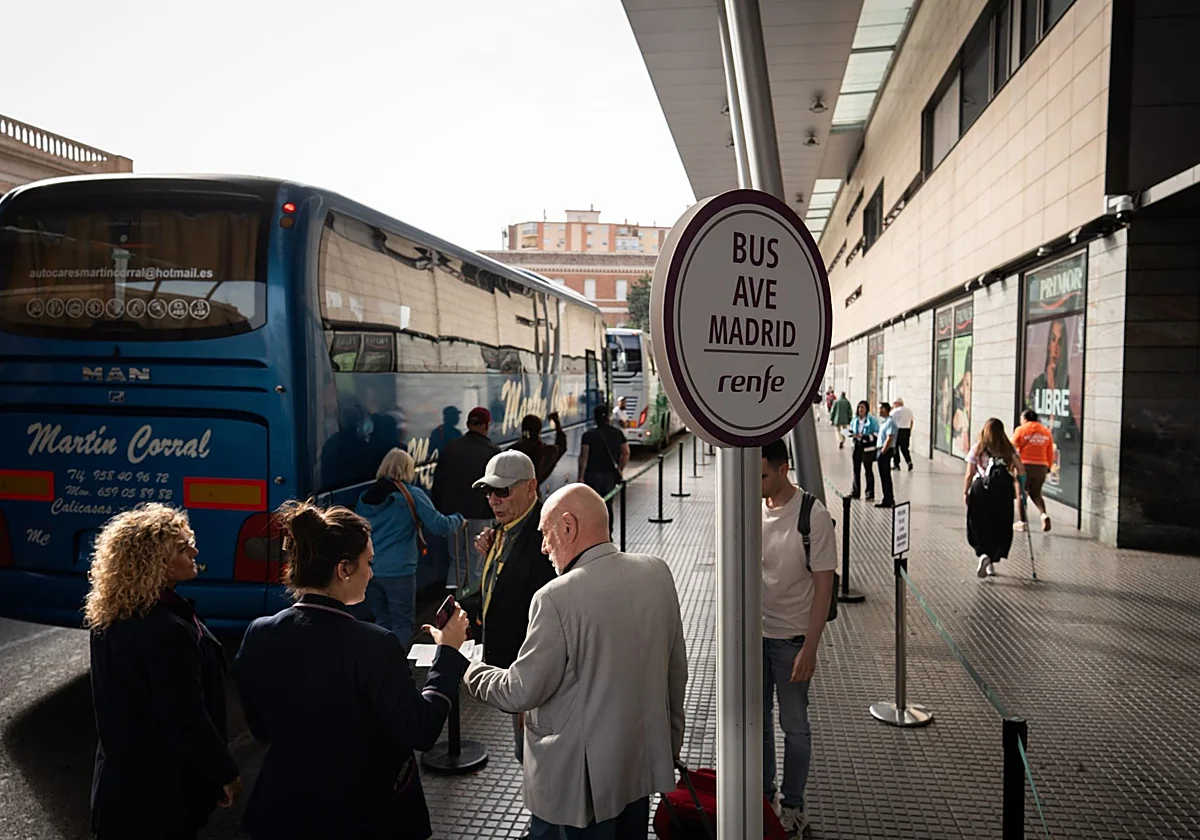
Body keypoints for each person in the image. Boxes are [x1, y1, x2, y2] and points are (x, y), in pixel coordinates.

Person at [232, 500, 471, 840]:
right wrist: (447, 653)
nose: (372, 573)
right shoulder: (375, 645)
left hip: (285, 807)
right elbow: (421, 728)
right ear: (343, 569)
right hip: (362, 811)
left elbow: (261, 727)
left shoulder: (259, 632)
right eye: (368, 562)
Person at [463, 484, 688, 839]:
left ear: (567, 526)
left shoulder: (556, 598)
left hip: (580, 788)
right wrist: (667, 745)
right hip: (639, 767)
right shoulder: (657, 572)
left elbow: (521, 691)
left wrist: (466, 667)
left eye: (545, 533)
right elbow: (676, 673)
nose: (543, 547)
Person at [85, 503, 241, 840]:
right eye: (184, 548)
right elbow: (185, 718)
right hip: (159, 798)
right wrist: (223, 772)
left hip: (119, 789)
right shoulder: (167, 629)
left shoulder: (111, 616)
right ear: (155, 562)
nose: (195, 551)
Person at [760, 439, 836, 837]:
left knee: (795, 726)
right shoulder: (751, 505)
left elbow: (824, 587)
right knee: (758, 724)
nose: (756, 484)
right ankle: (763, 796)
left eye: (763, 475)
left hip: (791, 639)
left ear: (784, 467)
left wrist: (811, 646)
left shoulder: (813, 516)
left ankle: (793, 805)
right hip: (754, 637)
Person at [470, 450, 558, 762]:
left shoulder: (545, 537)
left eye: (503, 491)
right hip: (515, 671)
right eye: (488, 491)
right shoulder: (505, 531)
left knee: (535, 755)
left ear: (531, 487)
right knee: (526, 754)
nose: (493, 500)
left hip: (535, 675)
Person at [356, 448, 465, 642]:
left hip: (370, 570)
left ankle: (381, 662)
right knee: (402, 623)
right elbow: (439, 525)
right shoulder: (411, 495)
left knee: (382, 620)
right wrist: (458, 519)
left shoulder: (365, 497)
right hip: (399, 570)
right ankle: (396, 665)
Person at [431, 406, 501, 589]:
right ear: (487, 425)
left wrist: (441, 510)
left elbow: (438, 482)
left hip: (453, 517)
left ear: (469, 424)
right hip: (481, 515)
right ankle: (472, 601)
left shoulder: (451, 448)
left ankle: (453, 600)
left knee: (456, 560)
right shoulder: (492, 452)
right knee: (476, 561)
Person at [964, 418, 1025, 579]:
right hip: (1002, 492)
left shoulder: (977, 449)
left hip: (980, 490)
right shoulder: (1008, 449)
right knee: (999, 525)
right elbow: (1021, 469)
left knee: (979, 523)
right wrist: (1021, 484)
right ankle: (991, 559)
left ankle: (983, 554)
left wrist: (966, 492)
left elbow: (969, 473)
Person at [578, 403, 630, 534]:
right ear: (608, 417)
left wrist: (581, 476)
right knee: (608, 505)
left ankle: (593, 534)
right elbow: (626, 453)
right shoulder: (617, 433)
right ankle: (608, 533)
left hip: (592, 475)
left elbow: (584, 456)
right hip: (610, 476)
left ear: (595, 418)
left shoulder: (588, 435)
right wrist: (620, 469)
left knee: (593, 506)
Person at [1011, 408, 1055, 532]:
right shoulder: (1046, 432)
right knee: (1036, 493)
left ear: (1025, 419)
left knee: (1021, 494)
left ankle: (1022, 522)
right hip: (1042, 466)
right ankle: (1043, 514)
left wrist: (1011, 465)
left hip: (1024, 466)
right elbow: (1050, 452)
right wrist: (1048, 467)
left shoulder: (1021, 430)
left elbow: (1012, 448)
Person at [509, 411, 568, 489]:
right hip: (533, 494)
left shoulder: (512, 451)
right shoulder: (546, 451)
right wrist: (557, 422)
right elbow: (562, 446)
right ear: (540, 431)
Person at [849, 400, 878, 500]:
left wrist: (865, 437)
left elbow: (876, 434)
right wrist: (851, 434)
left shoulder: (872, 420)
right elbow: (852, 430)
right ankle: (855, 492)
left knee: (868, 470)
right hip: (856, 446)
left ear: (866, 409)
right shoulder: (855, 420)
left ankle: (870, 493)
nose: (860, 409)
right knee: (856, 470)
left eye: (862, 407)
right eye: (859, 407)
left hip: (867, 448)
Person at [874, 402, 897, 508]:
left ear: (885, 409)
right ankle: (888, 497)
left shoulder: (890, 422)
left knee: (885, 476)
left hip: (885, 451)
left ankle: (887, 499)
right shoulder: (884, 422)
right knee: (884, 476)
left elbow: (889, 437)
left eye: (880, 409)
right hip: (882, 450)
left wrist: (882, 452)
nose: (878, 410)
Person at [889, 397, 915, 471]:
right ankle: (909, 462)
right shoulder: (908, 411)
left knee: (895, 448)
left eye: (894, 404)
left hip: (897, 431)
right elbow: (912, 421)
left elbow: (889, 419)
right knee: (905, 448)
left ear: (897, 404)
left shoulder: (894, 411)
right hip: (906, 430)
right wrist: (909, 430)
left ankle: (896, 464)